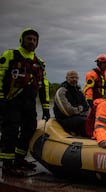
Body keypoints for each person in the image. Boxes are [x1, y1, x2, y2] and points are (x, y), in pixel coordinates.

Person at [0, 27, 50, 176]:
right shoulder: (11, 55)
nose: (32, 42)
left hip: (28, 103)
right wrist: (1, 98)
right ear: (22, 40)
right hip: (11, 102)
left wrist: (46, 107)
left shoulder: (39, 62)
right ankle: (7, 166)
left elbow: (44, 85)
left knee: (29, 129)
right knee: (11, 132)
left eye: (35, 40)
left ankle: (19, 158)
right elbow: (1, 75)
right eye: (29, 39)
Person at [53, 70, 89, 136]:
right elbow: (67, 111)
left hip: (78, 117)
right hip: (64, 119)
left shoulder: (79, 91)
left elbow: (86, 107)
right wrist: (80, 108)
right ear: (67, 78)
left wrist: (80, 110)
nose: (74, 79)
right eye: (72, 77)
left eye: (76, 78)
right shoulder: (61, 91)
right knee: (83, 121)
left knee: (92, 119)